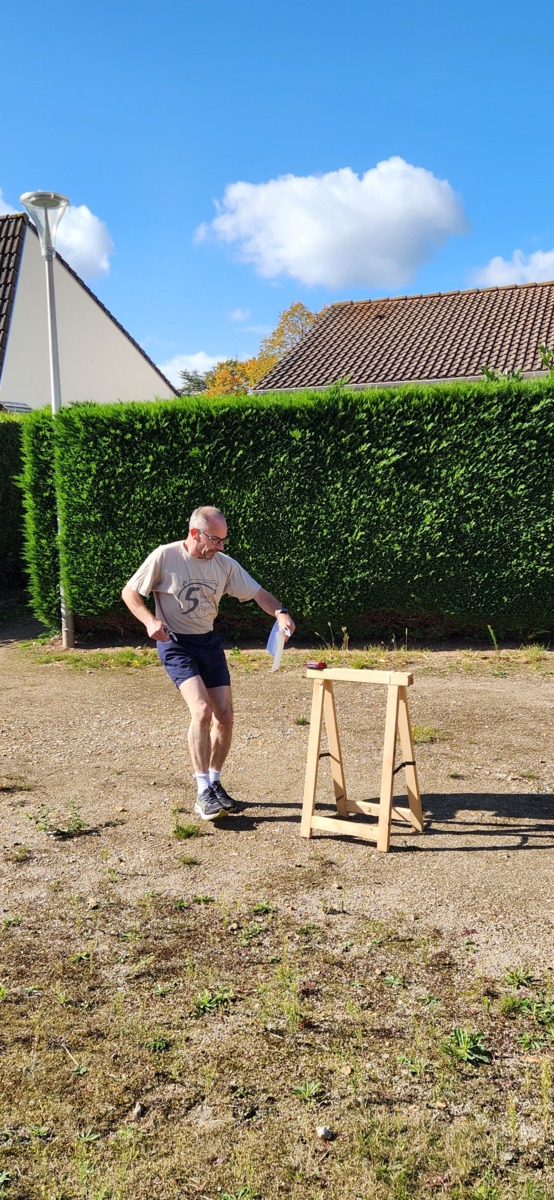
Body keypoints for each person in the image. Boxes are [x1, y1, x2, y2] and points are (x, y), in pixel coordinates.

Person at [121, 506, 295, 821]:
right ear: (194, 533)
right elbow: (130, 592)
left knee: (225, 716)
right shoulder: (165, 556)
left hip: (208, 643)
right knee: (202, 710)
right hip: (175, 643)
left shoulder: (224, 564)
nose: (220, 546)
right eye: (215, 540)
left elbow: (259, 594)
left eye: (223, 540)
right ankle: (202, 791)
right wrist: (149, 621)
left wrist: (280, 612)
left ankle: (214, 782)